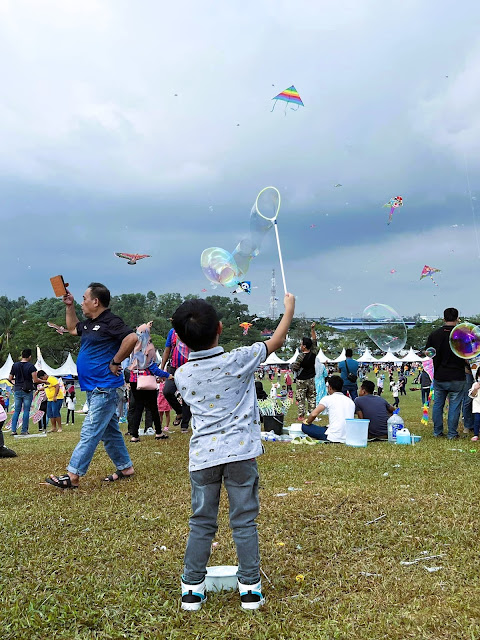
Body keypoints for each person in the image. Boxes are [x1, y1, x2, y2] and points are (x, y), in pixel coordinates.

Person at [173, 293, 295, 611]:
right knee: (244, 521)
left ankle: (191, 589)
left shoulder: (182, 374)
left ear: (182, 340)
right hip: (241, 454)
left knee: (201, 522)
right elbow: (278, 340)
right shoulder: (239, 358)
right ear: (221, 328)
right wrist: (289, 308)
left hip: (202, 458)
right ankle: (250, 589)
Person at [45, 282, 138, 489]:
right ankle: (125, 468)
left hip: (105, 387)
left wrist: (115, 361)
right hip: (94, 388)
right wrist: (69, 306)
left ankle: (73, 475)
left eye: (85, 299)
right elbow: (71, 329)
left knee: (90, 431)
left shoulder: (111, 321)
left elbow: (132, 338)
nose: (82, 302)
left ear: (96, 302)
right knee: (110, 431)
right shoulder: (88, 324)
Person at [426, 307, 469, 439]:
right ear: (457, 318)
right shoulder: (462, 335)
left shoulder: (434, 335)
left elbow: (429, 353)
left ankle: (437, 432)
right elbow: (468, 354)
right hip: (457, 376)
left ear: (444, 318)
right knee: (455, 406)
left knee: (438, 405)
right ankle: (452, 433)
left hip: (440, 375)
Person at [127, 322, 170, 442]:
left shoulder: (134, 347)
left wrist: (146, 326)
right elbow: (153, 368)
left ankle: (134, 435)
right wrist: (167, 375)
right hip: (147, 380)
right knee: (153, 407)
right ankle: (158, 432)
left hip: (135, 380)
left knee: (138, 407)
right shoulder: (149, 348)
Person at [301, 375, 354, 442]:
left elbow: (313, 414)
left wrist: (307, 422)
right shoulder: (350, 401)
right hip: (349, 436)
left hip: (333, 437)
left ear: (330, 388)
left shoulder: (327, 399)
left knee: (304, 426)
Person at [161, 324, 191, 433]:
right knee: (167, 391)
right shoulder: (172, 332)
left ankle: (185, 424)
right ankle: (179, 411)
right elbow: (167, 349)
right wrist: (162, 367)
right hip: (174, 367)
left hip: (188, 367)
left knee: (186, 396)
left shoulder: (192, 330)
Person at [8, 348, 38, 435]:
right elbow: (35, 380)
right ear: (29, 356)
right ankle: (24, 430)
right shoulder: (31, 366)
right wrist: (44, 381)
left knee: (16, 410)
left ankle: (13, 430)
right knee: (26, 410)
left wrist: (16, 383)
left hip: (17, 389)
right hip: (27, 390)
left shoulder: (15, 365)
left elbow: (10, 378)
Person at [291, 323, 317, 420]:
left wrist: (293, 366)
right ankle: (313, 414)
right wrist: (312, 329)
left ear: (304, 346)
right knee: (312, 397)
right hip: (311, 378)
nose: (300, 345)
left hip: (301, 379)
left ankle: (301, 416)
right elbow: (314, 340)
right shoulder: (314, 353)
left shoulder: (300, 356)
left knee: (301, 398)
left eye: (301, 344)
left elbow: (295, 368)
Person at [468, 369, 480, 441]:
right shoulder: (475, 384)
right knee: (477, 420)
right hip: (477, 407)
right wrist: (475, 389)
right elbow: (472, 395)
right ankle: (476, 434)